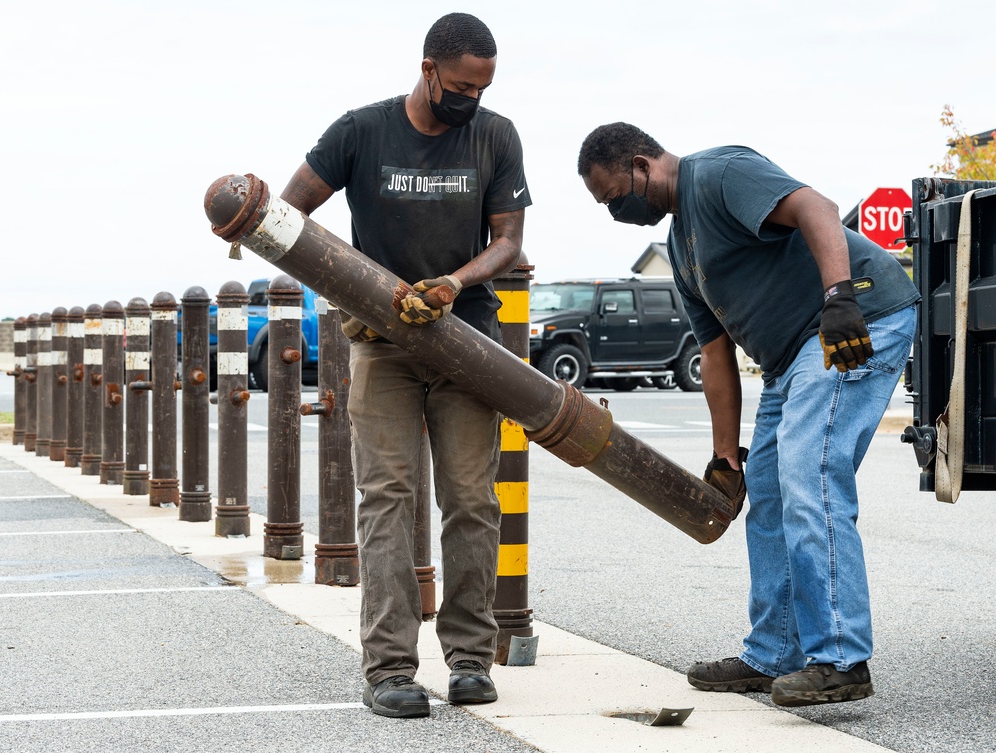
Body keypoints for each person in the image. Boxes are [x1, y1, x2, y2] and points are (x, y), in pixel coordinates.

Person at [577, 123, 919, 708]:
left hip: (855, 319)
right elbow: (715, 358)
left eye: (614, 197)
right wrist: (725, 455)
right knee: (765, 484)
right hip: (790, 357)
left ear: (640, 164)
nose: (616, 212)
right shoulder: (682, 250)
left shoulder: (718, 173)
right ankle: (774, 651)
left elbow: (817, 207)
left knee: (808, 470)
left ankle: (841, 658)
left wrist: (840, 298)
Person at [280, 13, 529, 718]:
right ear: (427, 70)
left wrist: (453, 282)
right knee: (387, 500)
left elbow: (508, 241)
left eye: (481, 88)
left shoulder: (495, 135)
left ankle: (471, 659)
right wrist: (351, 287)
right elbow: (292, 215)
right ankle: (389, 667)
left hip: (466, 343)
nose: (470, 100)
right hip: (382, 344)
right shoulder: (361, 132)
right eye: (459, 87)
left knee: (472, 500)